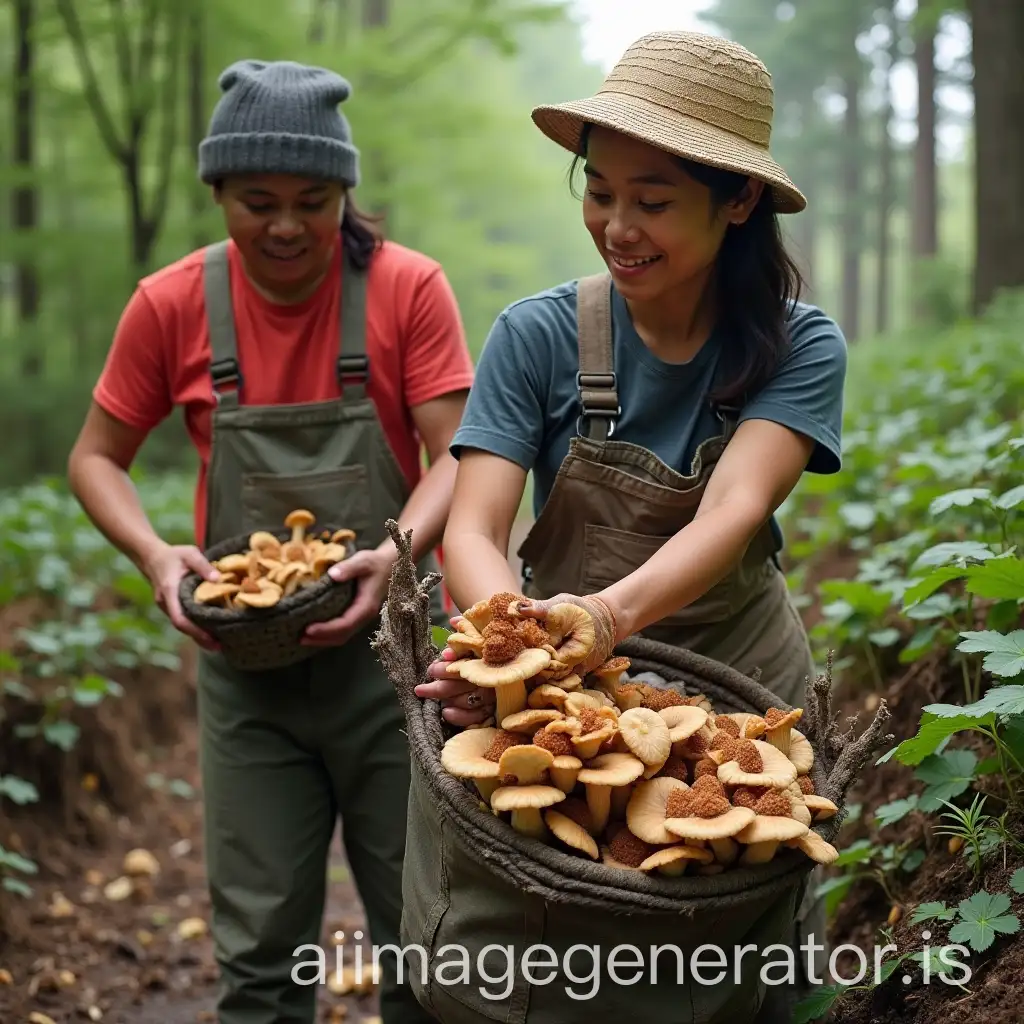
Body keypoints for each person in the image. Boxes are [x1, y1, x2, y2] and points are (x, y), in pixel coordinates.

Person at [414, 29, 847, 1000]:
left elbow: (733, 509)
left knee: (738, 971)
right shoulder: (538, 335)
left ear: (737, 202)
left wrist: (603, 618)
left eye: (652, 200)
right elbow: (473, 528)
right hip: (574, 703)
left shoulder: (799, 348)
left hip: (738, 693)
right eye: (599, 191)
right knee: (555, 959)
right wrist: (509, 637)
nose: (616, 225)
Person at [67, 59, 473, 1024]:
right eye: (257, 201)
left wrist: (401, 552)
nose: (286, 226)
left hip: (397, 671)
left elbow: (465, 460)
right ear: (218, 193)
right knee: (257, 958)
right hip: (246, 677)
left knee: (427, 942)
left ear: (345, 193)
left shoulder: (406, 290)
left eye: (314, 200)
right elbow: (95, 459)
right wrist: (158, 555)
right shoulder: (170, 303)